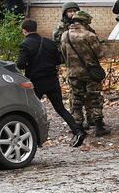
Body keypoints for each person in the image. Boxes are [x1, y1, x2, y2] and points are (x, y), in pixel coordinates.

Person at [16, 19, 86, 147]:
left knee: (30, 110)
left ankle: (31, 138)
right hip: (52, 80)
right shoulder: (48, 42)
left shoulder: (25, 45)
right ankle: (78, 131)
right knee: (60, 108)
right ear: (35, 28)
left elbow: (20, 64)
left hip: (36, 82)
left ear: (24, 31)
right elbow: (58, 60)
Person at [56, 3, 111, 137]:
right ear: (85, 22)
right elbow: (100, 54)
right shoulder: (89, 35)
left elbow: (62, 54)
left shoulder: (64, 35)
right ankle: (98, 126)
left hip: (73, 73)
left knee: (76, 99)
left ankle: (79, 126)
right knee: (95, 98)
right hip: (90, 73)